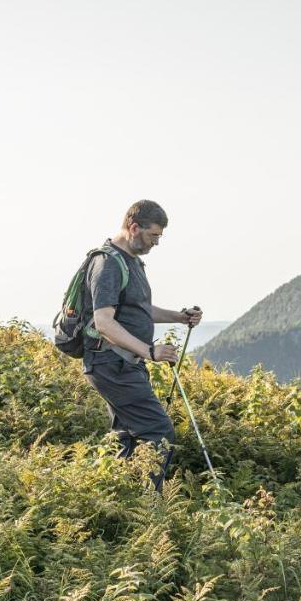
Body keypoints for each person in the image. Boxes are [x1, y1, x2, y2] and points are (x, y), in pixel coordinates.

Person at [82, 200, 203, 485]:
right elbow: (103, 322)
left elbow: (139, 309)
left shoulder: (131, 262)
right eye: (153, 236)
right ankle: (149, 506)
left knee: (126, 437)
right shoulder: (108, 264)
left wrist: (179, 316)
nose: (156, 243)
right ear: (134, 227)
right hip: (111, 363)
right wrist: (150, 351)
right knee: (158, 431)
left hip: (124, 364)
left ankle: (120, 502)